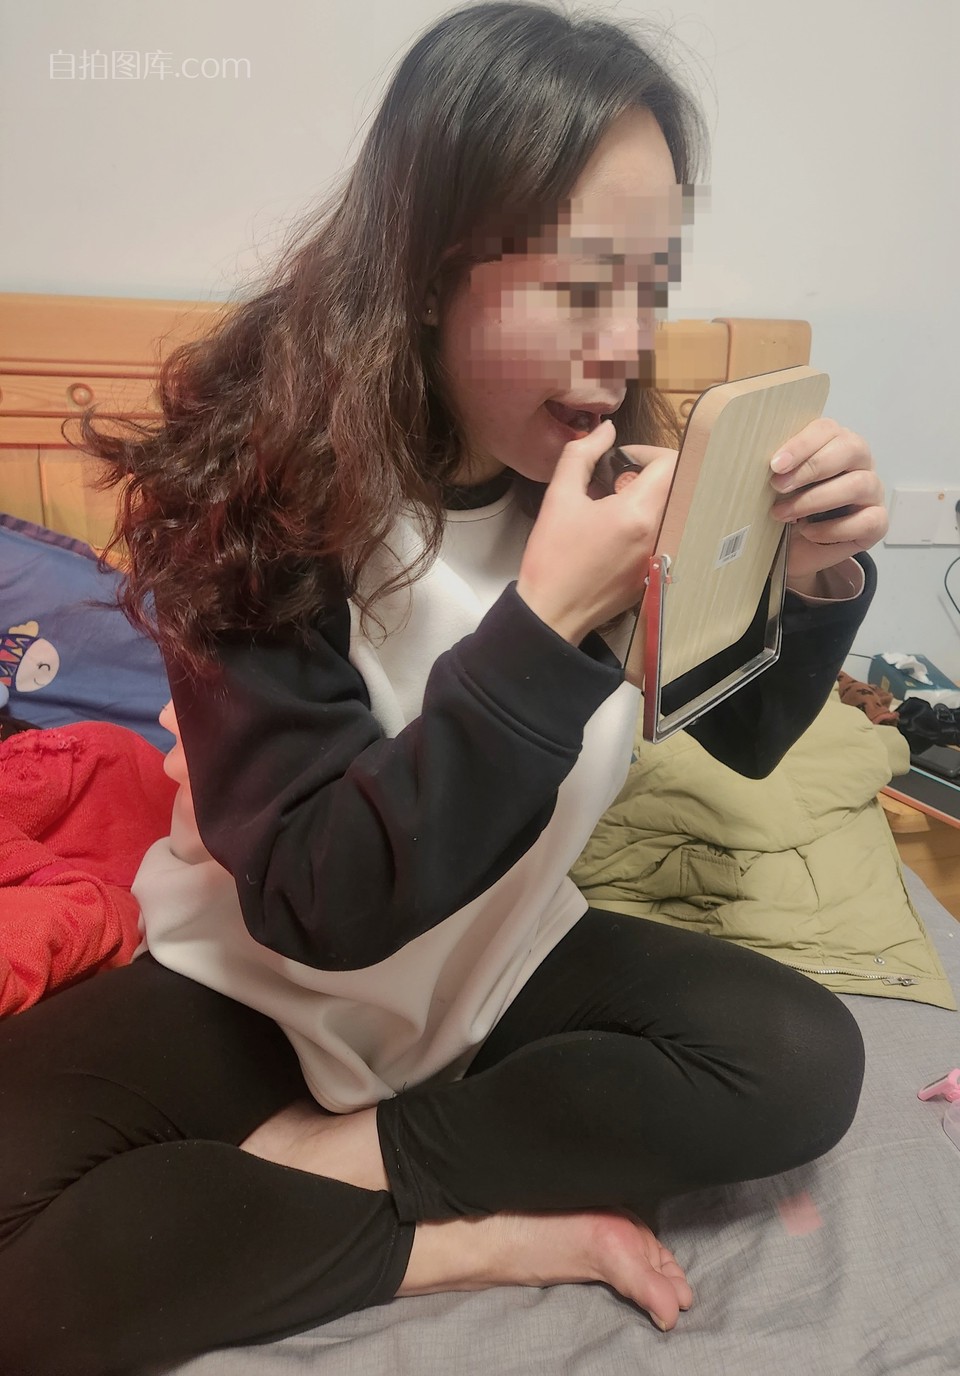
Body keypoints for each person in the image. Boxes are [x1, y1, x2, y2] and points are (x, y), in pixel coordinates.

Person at [0, 4, 889, 1373]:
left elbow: (746, 731)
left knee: (800, 1058)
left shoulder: (610, 467)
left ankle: (370, 1155)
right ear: (426, 271)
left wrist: (817, 578)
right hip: (263, 979)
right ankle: (464, 1234)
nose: (623, 345)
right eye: (580, 288)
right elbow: (320, 906)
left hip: (498, 958)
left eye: (649, 287)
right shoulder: (248, 496)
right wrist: (548, 624)